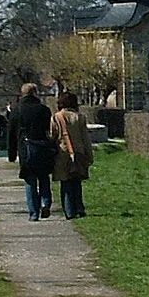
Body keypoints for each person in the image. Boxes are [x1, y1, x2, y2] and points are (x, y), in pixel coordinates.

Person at [6, 81, 55, 220]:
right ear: (35, 93)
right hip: (42, 147)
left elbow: (11, 134)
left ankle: (34, 213)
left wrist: (11, 153)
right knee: (44, 177)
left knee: (30, 181)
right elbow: (48, 131)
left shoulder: (17, 110)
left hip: (25, 148)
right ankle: (46, 203)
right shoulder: (44, 110)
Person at [51, 89, 94, 220]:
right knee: (77, 181)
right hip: (79, 152)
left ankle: (69, 211)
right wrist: (89, 154)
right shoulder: (80, 117)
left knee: (66, 183)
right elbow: (85, 138)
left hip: (63, 153)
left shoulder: (56, 117)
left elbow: (53, 136)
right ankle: (79, 207)